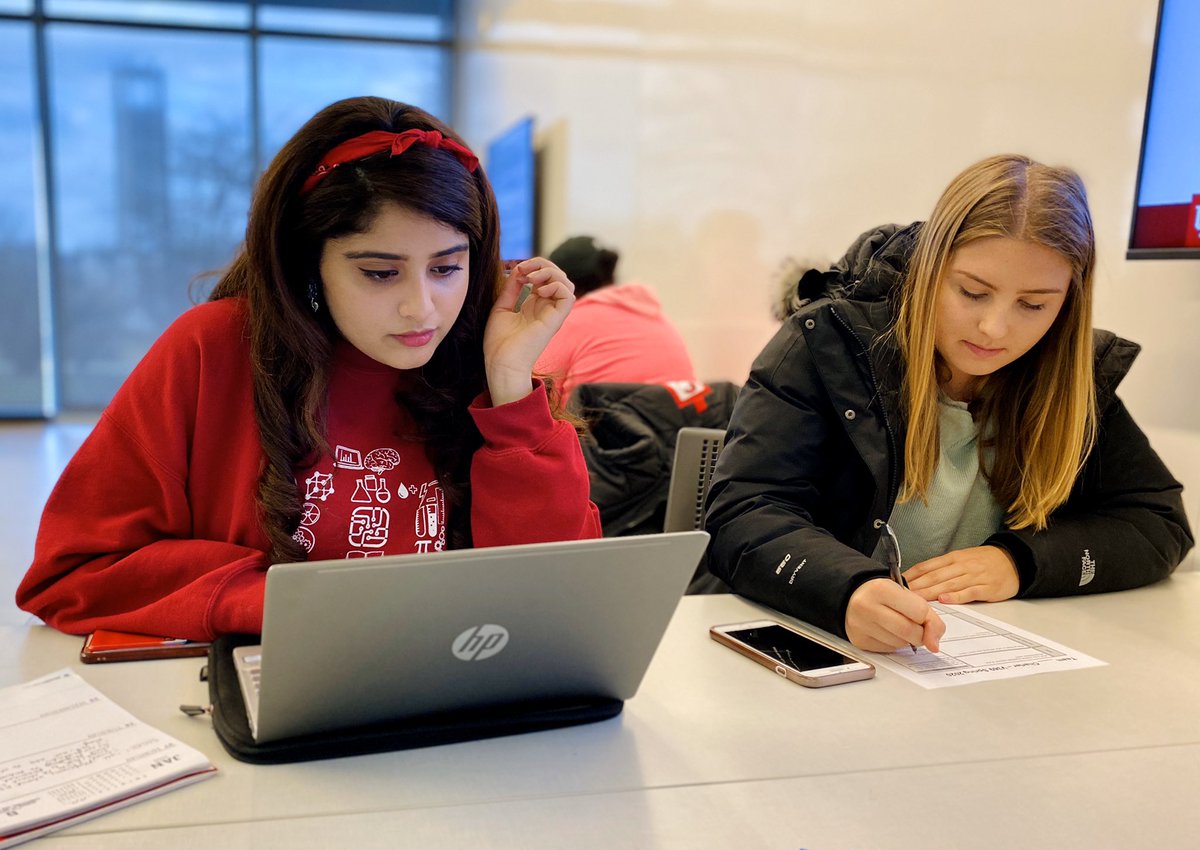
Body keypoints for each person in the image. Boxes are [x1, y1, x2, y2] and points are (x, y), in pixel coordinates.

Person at [17, 96, 601, 641]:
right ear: (308, 263)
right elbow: (75, 571)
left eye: (446, 268)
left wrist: (509, 387)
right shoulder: (213, 348)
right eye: (379, 272)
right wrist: (294, 606)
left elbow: (561, 599)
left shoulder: (476, 362)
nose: (420, 307)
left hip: (448, 705)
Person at [704, 154, 1194, 655]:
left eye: (1034, 305)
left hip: (980, 663)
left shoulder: (1075, 375)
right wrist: (844, 590)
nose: (994, 328)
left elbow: (1158, 524)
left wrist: (1020, 563)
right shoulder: (827, 342)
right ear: (931, 267)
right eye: (973, 292)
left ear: (1069, 300)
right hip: (827, 650)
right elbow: (743, 513)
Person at [534, 235, 697, 399]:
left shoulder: (567, 322)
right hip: (681, 422)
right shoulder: (652, 313)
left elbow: (534, 398)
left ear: (557, 283)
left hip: (601, 424)